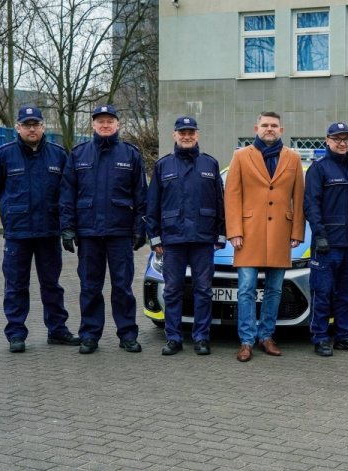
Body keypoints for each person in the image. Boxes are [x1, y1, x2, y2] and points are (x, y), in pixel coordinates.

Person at [0, 106, 80, 353]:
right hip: (18, 233)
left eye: (35, 124)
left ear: (43, 127)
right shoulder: (4, 155)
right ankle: (16, 333)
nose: (31, 129)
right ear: (17, 128)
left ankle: (57, 330)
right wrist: (9, 208)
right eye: (26, 125)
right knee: (16, 285)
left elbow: (67, 190)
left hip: (48, 231)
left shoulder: (58, 155)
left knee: (52, 284)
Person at [60, 104, 148, 355]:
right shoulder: (79, 155)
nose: (105, 125)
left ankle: (128, 334)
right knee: (89, 287)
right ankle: (89, 335)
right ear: (93, 125)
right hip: (89, 234)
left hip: (120, 233)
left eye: (110, 121)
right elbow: (67, 195)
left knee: (122, 287)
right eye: (100, 121)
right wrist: (67, 227)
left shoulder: (131, 154)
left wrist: (140, 227)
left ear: (118, 124)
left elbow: (141, 195)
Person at [225, 112, 305, 362]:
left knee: (274, 289)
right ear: (256, 127)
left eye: (274, 126)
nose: (269, 129)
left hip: (281, 232)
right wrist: (235, 231)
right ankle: (246, 340)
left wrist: (297, 232)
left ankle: (266, 336)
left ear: (281, 130)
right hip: (248, 234)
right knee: (246, 289)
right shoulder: (241, 156)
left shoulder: (293, 158)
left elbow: (299, 198)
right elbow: (232, 196)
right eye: (265, 125)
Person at [145, 116, 225, 356]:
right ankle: (174, 338)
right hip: (173, 240)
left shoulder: (209, 164)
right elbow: (153, 206)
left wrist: (221, 234)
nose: (187, 136)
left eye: (191, 132)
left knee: (203, 290)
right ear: (175, 135)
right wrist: (155, 237)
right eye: (182, 132)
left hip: (202, 239)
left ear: (197, 135)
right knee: (172, 290)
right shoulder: (163, 166)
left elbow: (221, 203)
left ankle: (201, 337)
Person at [303, 122, 348, 356]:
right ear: (328, 140)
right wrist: (320, 235)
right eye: (337, 139)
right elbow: (311, 204)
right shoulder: (319, 168)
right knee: (322, 292)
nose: (342, 143)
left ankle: (344, 335)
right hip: (328, 245)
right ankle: (320, 337)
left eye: (345, 139)